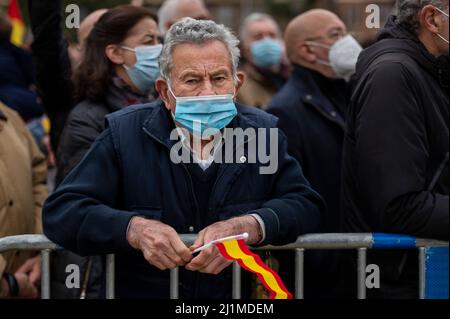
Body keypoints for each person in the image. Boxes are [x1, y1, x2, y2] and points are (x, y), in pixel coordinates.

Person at [42, 18, 324, 299]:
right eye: (192, 80)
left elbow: (304, 204)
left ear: (237, 84)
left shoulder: (262, 132)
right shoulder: (124, 134)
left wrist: (250, 226)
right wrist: (134, 229)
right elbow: (64, 211)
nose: (208, 92)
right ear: (165, 92)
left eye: (218, 78)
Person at [341, 0, 449, 298]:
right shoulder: (393, 76)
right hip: (400, 278)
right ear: (432, 19)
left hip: (425, 273)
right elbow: (399, 206)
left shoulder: (432, 71)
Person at [266, 9, 362, 298]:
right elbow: (286, 192)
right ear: (307, 50)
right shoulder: (285, 110)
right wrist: (323, 260)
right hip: (321, 268)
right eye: (336, 35)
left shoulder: (347, 94)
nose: (347, 41)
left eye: (346, 32)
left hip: (351, 258)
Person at [28, 0, 107, 153]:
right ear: (82, 48)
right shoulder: (68, 93)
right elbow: (47, 39)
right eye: (101, 37)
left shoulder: (155, 93)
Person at [0, 102, 48, 299]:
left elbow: (38, 180)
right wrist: (8, 284)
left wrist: (37, 249)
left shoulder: (9, 116)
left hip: (27, 275)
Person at [237, 13, 290, 109]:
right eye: (258, 37)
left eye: (272, 35)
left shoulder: (292, 77)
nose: (267, 41)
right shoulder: (238, 87)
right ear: (244, 48)